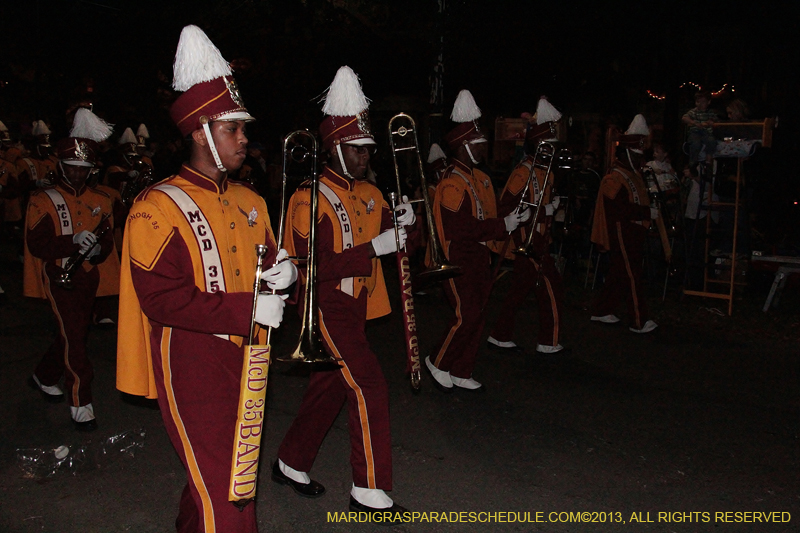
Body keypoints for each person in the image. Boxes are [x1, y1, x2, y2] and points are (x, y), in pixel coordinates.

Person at [116, 25, 293, 533]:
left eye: (243, 128)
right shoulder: (158, 207)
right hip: (191, 359)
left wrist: (286, 273)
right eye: (232, 128)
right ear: (199, 132)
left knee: (221, 478)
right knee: (232, 494)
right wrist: (247, 307)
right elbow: (162, 300)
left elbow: (273, 267)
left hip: (251, 355)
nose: (244, 138)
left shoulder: (252, 201)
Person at [274, 66, 412, 520]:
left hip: (357, 308)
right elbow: (311, 268)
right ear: (334, 148)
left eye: (367, 150)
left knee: (331, 387)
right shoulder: (308, 197)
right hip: (325, 305)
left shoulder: (372, 191)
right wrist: (372, 247)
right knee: (369, 383)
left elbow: (402, 244)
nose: (363, 158)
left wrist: (406, 223)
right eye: (355, 150)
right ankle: (368, 489)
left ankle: (290, 461)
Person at [426, 90, 529, 392]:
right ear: (462, 147)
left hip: (478, 257)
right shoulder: (451, 183)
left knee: (478, 315)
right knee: (466, 314)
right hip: (457, 258)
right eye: (477, 142)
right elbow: (461, 229)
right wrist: (500, 226)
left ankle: (461, 369)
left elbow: (489, 214)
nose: (483, 146)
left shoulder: (478, 177)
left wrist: (511, 219)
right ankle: (438, 361)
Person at [24, 108, 116, 430]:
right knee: (75, 337)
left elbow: (108, 244)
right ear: (61, 165)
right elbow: (37, 244)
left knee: (73, 332)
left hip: (88, 276)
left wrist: (96, 248)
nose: (77, 175)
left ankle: (43, 374)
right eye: (72, 168)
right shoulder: (44, 199)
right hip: (58, 275)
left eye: (84, 169)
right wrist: (71, 241)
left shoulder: (102, 199)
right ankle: (81, 401)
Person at [488, 96, 564, 354]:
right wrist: (543, 211)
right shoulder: (523, 172)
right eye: (548, 146)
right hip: (525, 240)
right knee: (551, 287)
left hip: (541, 238)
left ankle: (499, 334)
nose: (552, 151)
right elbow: (507, 207)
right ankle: (548, 341)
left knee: (519, 291)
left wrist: (551, 211)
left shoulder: (549, 173)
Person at [590, 114, 659, 333]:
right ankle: (638, 320)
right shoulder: (615, 176)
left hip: (633, 229)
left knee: (620, 272)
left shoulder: (632, 173)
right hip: (622, 230)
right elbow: (618, 210)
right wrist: (647, 211)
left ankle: (602, 310)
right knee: (631, 274)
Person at [682, 91, 718, 165]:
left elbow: (715, 120)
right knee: (695, 143)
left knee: (711, 140)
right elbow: (684, 118)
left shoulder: (710, 112)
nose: (700, 104)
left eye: (703, 102)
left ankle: (708, 158)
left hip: (707, 133)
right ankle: (693, 162)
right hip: (695, 132)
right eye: (698, 102)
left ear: (708, 102)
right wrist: (694, 123)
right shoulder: (693, 112)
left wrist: (711, 122)